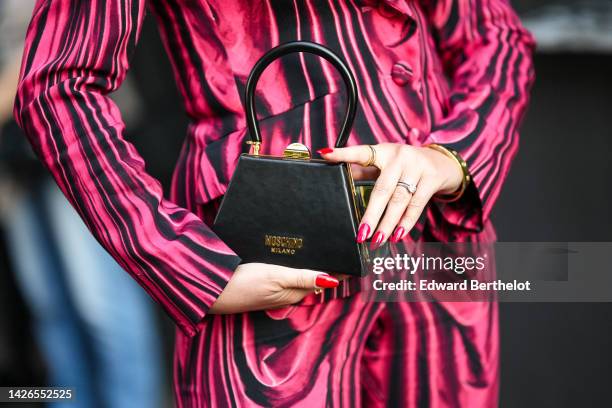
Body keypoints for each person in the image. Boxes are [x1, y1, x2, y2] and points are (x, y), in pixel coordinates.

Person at [14, 0, 535, 406]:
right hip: (268, 262)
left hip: (441, 257)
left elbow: (497, 34)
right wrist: (183, 264)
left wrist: (455, 157)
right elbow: (60, 83)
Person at [1, 1, 162, 407]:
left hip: (73, 143)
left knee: (102, 306)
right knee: (50, 309)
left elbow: (60, 44)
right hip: (12, 162)